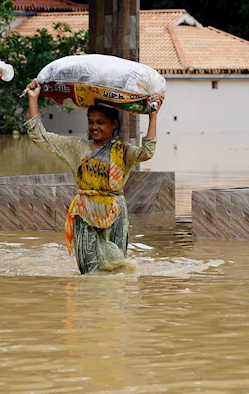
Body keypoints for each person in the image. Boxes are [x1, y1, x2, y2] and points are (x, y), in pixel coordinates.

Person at [24, 81, 159, 274]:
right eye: (91, 122)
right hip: (85, 211)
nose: (94, 127)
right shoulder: (77, 148)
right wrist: (33, 99)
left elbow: (147, 152)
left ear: (114, 124)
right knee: (89, 272)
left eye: (100, 122)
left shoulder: (122, 151)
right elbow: (40, 137)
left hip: (115, 212)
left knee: (116, 267)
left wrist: (153, 116)